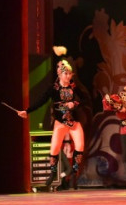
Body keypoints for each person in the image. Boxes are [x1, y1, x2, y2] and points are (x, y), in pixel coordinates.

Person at [20, 58, 90, 191]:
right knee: (54, 148)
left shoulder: (74, 86)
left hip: (74, 121)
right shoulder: (53, 88)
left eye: (70, 74)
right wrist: (27, 111)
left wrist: (74, 103)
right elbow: (41, 101)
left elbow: (85, 99)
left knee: (80, 146)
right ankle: (53, 172)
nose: (68, 76)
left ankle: (74, 172)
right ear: (60, 74)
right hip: (60, 122)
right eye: (66, 74)